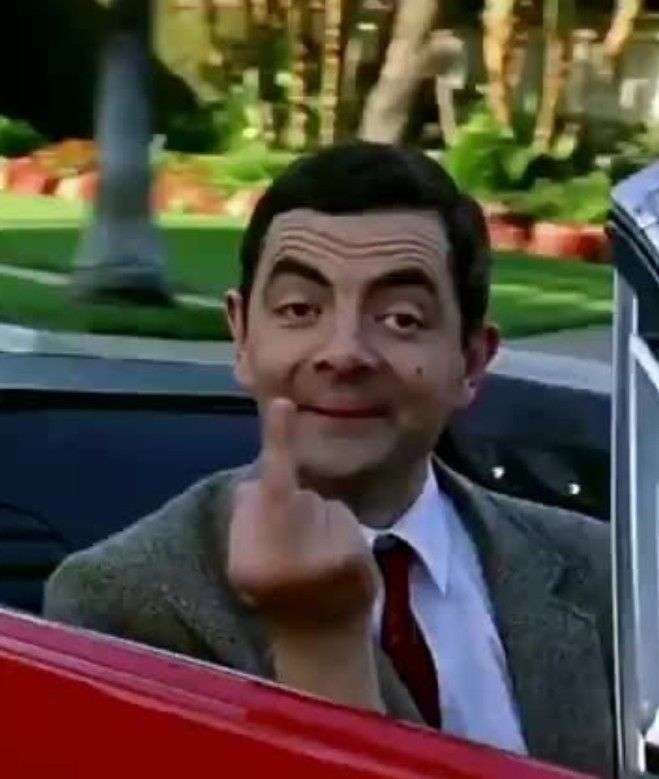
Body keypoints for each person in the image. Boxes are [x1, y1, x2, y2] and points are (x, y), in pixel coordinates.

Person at [44, 142, 614, 776]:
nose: (343, 353)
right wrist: (322, 646)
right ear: (242, 335)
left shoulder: (605, 572)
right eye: (299, 310)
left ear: (472, 362)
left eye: (401, 319)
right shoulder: (120, 604)